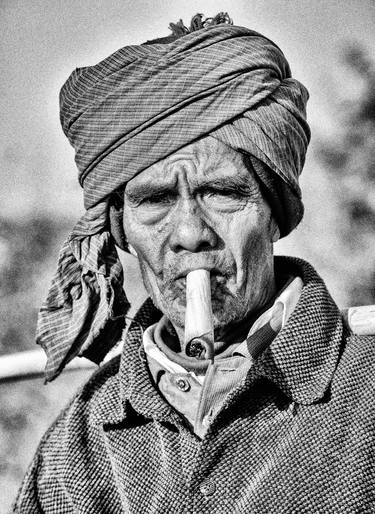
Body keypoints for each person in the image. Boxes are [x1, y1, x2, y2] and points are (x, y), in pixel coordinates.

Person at [13, 13, 375, 513]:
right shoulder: (80, 445)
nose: (189, 235)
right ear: (122, 231)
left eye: (222, 193)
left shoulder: (366, 391)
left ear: (275, 213)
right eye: (156, 200)